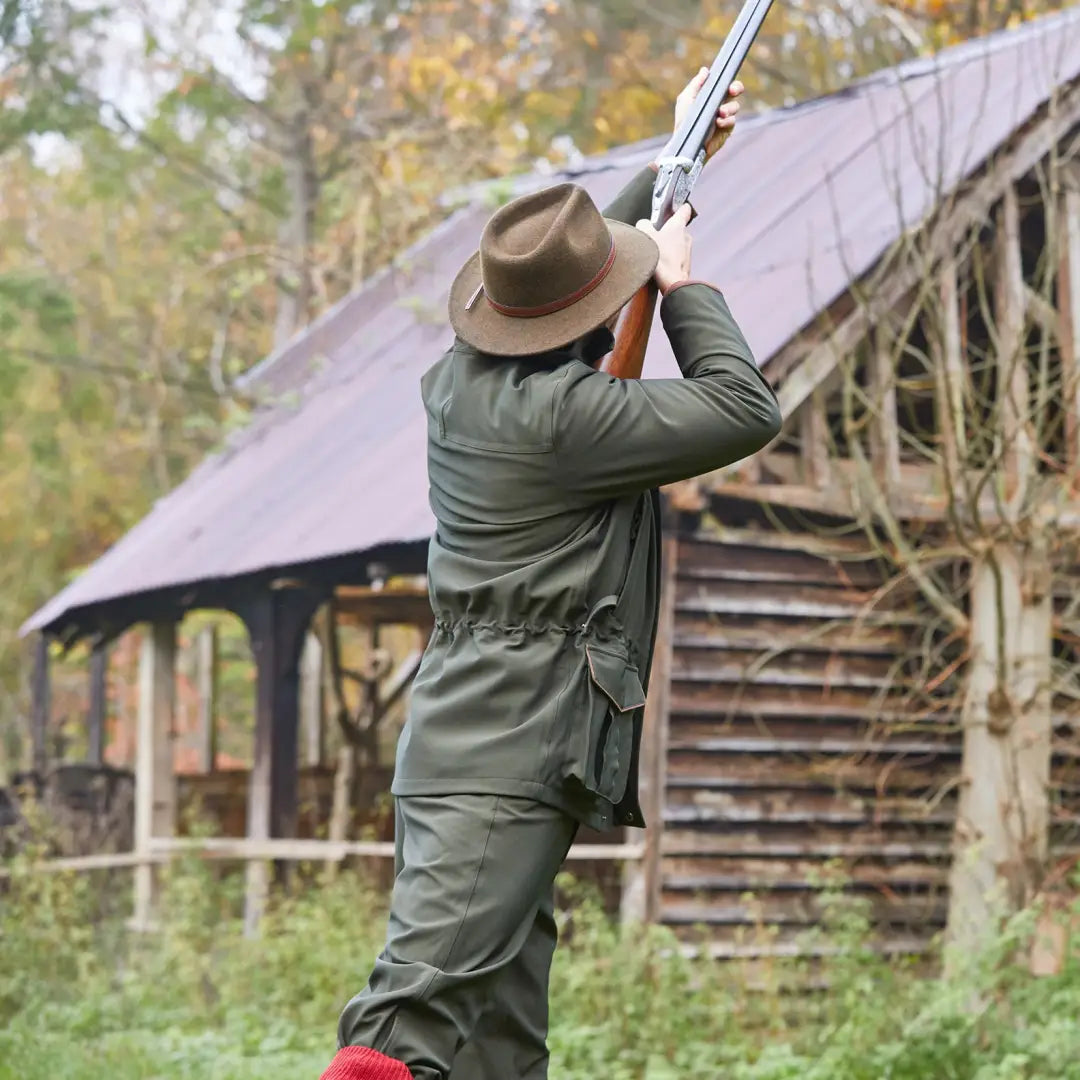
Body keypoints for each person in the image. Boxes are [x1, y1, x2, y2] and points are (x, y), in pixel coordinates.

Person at [320, 69, 781, 1080]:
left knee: (497, 1047)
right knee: (403, 1033)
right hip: (512, 750)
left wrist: (681, 155)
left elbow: (560, 277)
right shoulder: (566, 422)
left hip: (477, 741)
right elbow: (746, 408)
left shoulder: (460, 381)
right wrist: (680, 284)